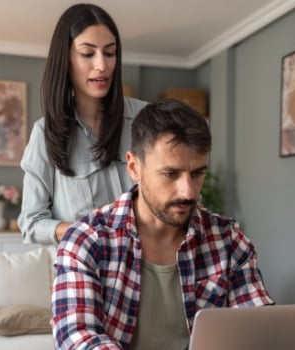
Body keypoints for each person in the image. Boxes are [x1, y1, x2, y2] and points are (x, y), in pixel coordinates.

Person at [52, 99, 274, 350]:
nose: (188, 192)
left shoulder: (228, 240)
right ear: (134, 167)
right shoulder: (85, 240)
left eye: (197, 173)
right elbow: (78, 336)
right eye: (170, 174)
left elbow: (254, 330)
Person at [19, 3, 147, 244]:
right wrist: (86, 231)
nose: (102, 65)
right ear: (65, 59)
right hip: (84, 266)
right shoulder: (45, 134)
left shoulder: (147, 120)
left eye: (109, 53)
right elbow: (31, 224)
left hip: (145, 265)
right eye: (88, 54)